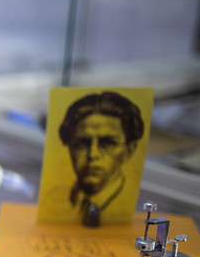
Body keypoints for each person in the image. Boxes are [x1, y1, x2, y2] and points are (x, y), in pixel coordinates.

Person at [59, 91, 145, 224]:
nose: (93, 155)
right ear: (69, 147)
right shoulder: (59, 201)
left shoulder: (133, 206)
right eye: (82, 144)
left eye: (108, 143)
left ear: (129, 150)